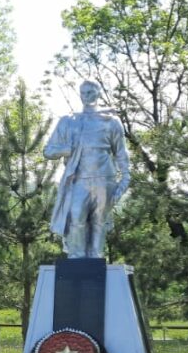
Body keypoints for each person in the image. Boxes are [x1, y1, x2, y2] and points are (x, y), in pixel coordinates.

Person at [45, 79, 130, 259]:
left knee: (99, 222)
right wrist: (65, 150)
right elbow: (48, 150)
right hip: (79, 180)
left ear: (99, 93)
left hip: (104, 179)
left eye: (91, 93)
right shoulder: (69, 122)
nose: (86, 97)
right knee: (76, 219)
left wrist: (126, 177)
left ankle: (96, 259)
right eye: (83, 93)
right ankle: (77, 259)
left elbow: (121, 153)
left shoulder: (111, 122)